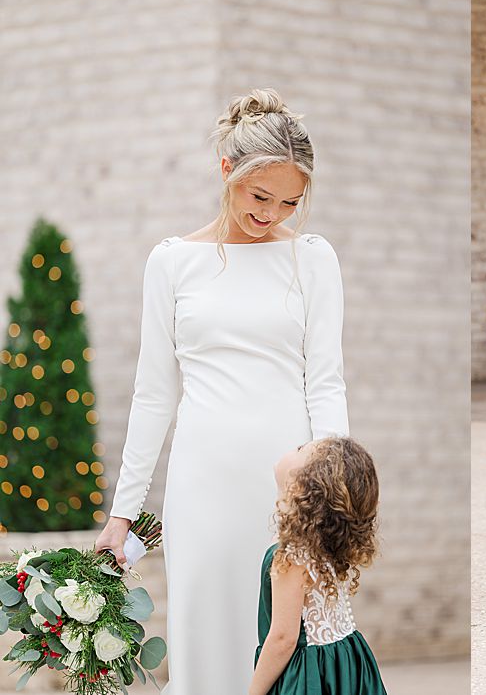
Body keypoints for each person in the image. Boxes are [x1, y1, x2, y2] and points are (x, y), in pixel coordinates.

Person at [93, 88, 346, 695]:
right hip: (201, 483)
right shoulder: (172, 262)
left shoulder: (312, 258)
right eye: (261, 196)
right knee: (204, 636)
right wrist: (122, 511)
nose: (271, 213)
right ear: (227, 169)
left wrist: (334, 489)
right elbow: (153, 394)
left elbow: (327, 380)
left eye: (289, 202)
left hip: (289, 487)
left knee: (282, 635)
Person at [249, 437, 385, 695]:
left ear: (305, 485)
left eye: (301, 449)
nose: (294, 446)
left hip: (308, 677)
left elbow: (283, 639)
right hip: (342, 663)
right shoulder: (320, 541)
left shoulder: (290, 554)